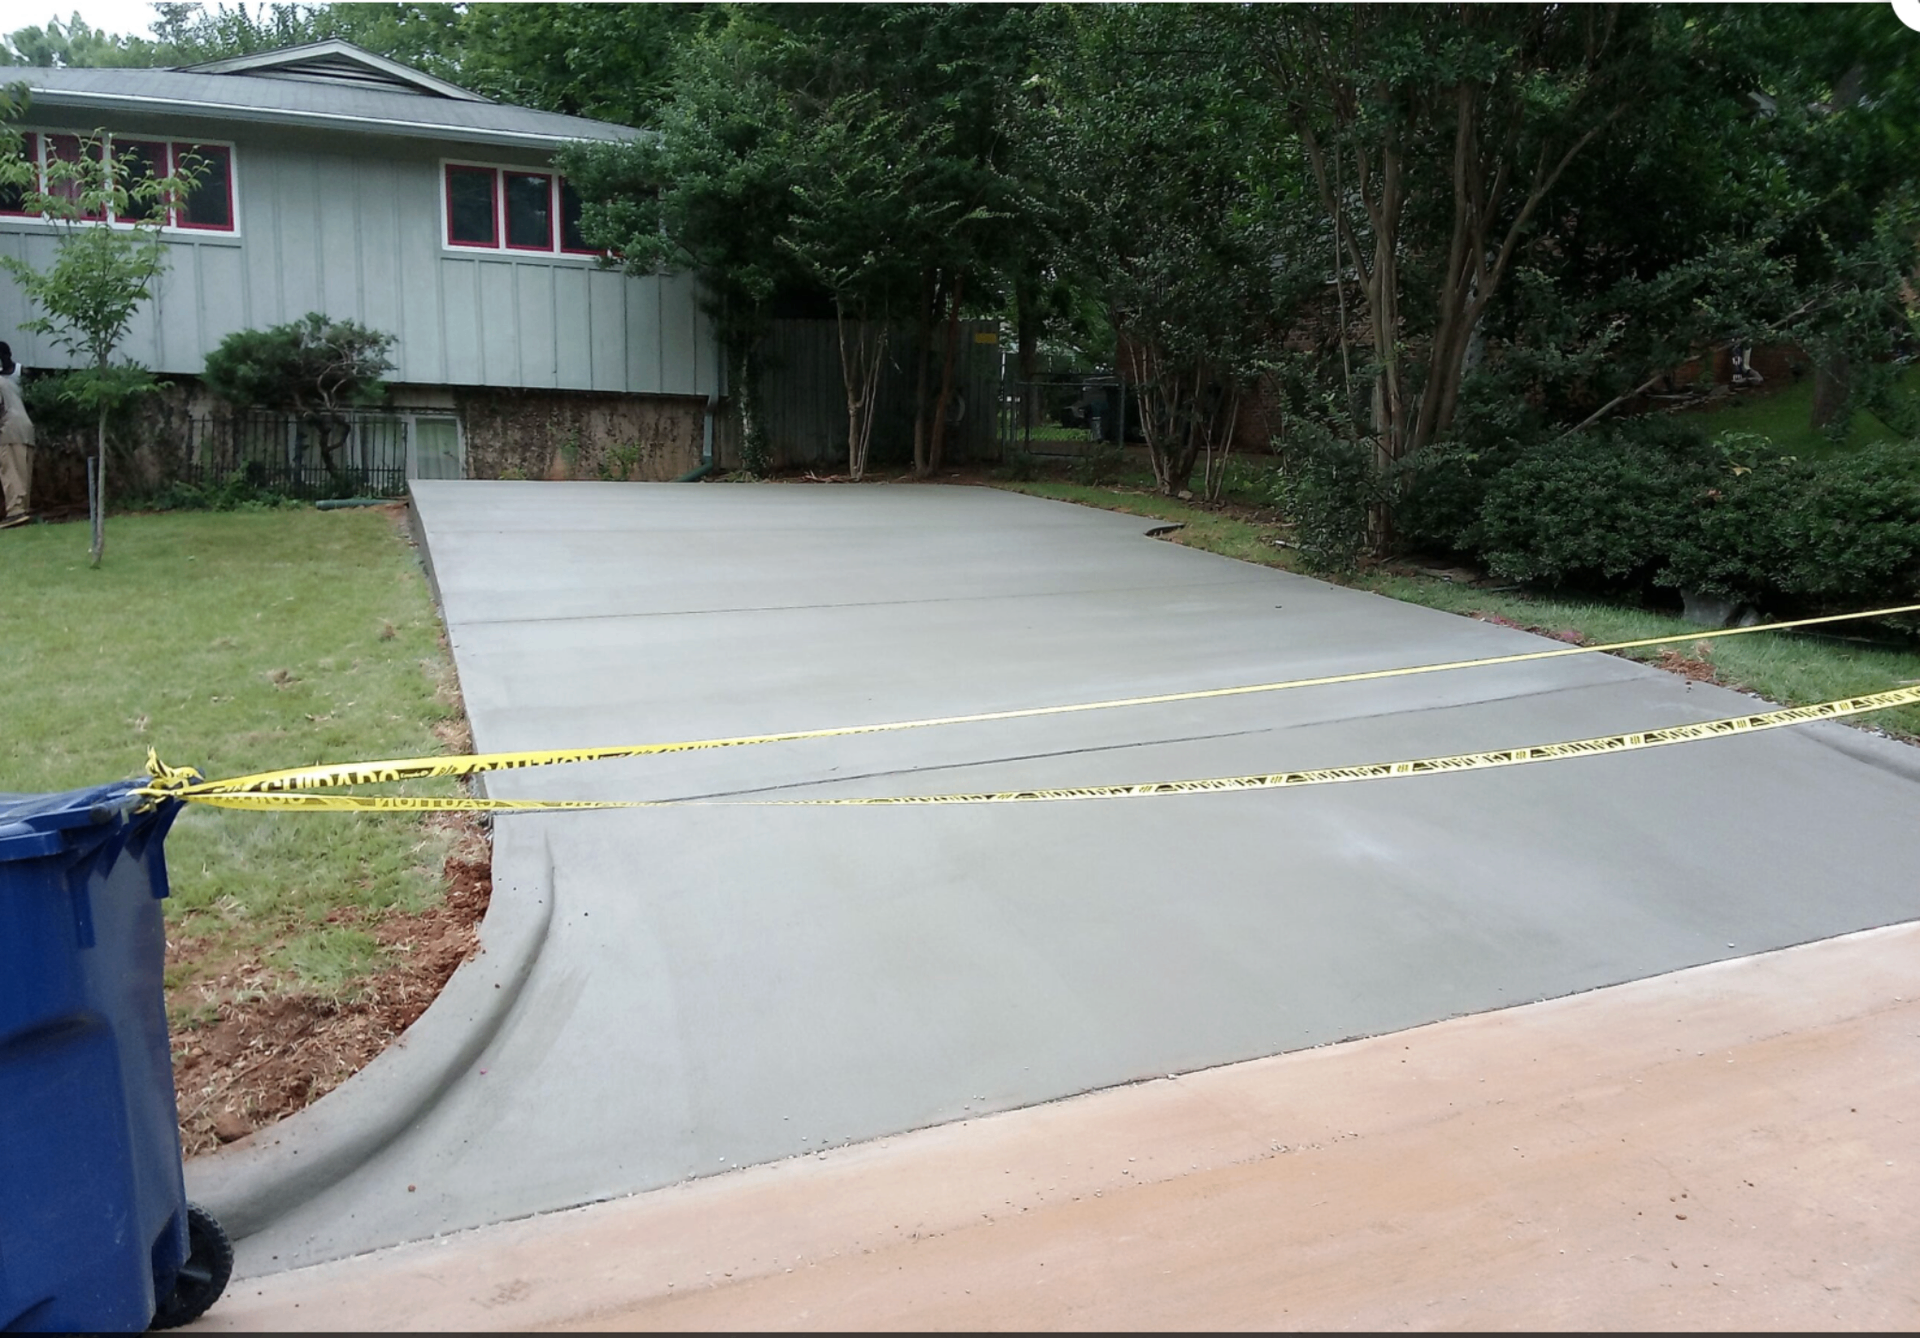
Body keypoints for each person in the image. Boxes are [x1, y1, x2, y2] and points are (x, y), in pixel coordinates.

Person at [0, 341, 32, 528]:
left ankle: (15, 512)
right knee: (22, 471)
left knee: (9, 471)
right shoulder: (8, 383)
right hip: (26, 429)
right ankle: (23, 511)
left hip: (9, 430)